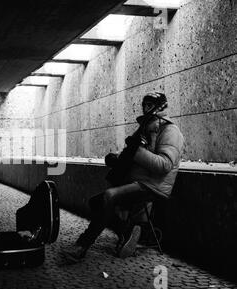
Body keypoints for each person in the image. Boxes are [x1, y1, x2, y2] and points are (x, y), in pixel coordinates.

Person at [62, 92, 184, 262]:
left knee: (109, 196)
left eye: (150, 104)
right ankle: (128, 232)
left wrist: (136, 151)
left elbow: (164, 165)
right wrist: (116, 159)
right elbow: (133, 155)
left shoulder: (170, 130)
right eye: (145, 104)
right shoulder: (145, 127)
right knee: (95, 202)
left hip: (152, 186)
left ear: (160, 106)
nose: (146, 107)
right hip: (137, 181)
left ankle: (82, 246)